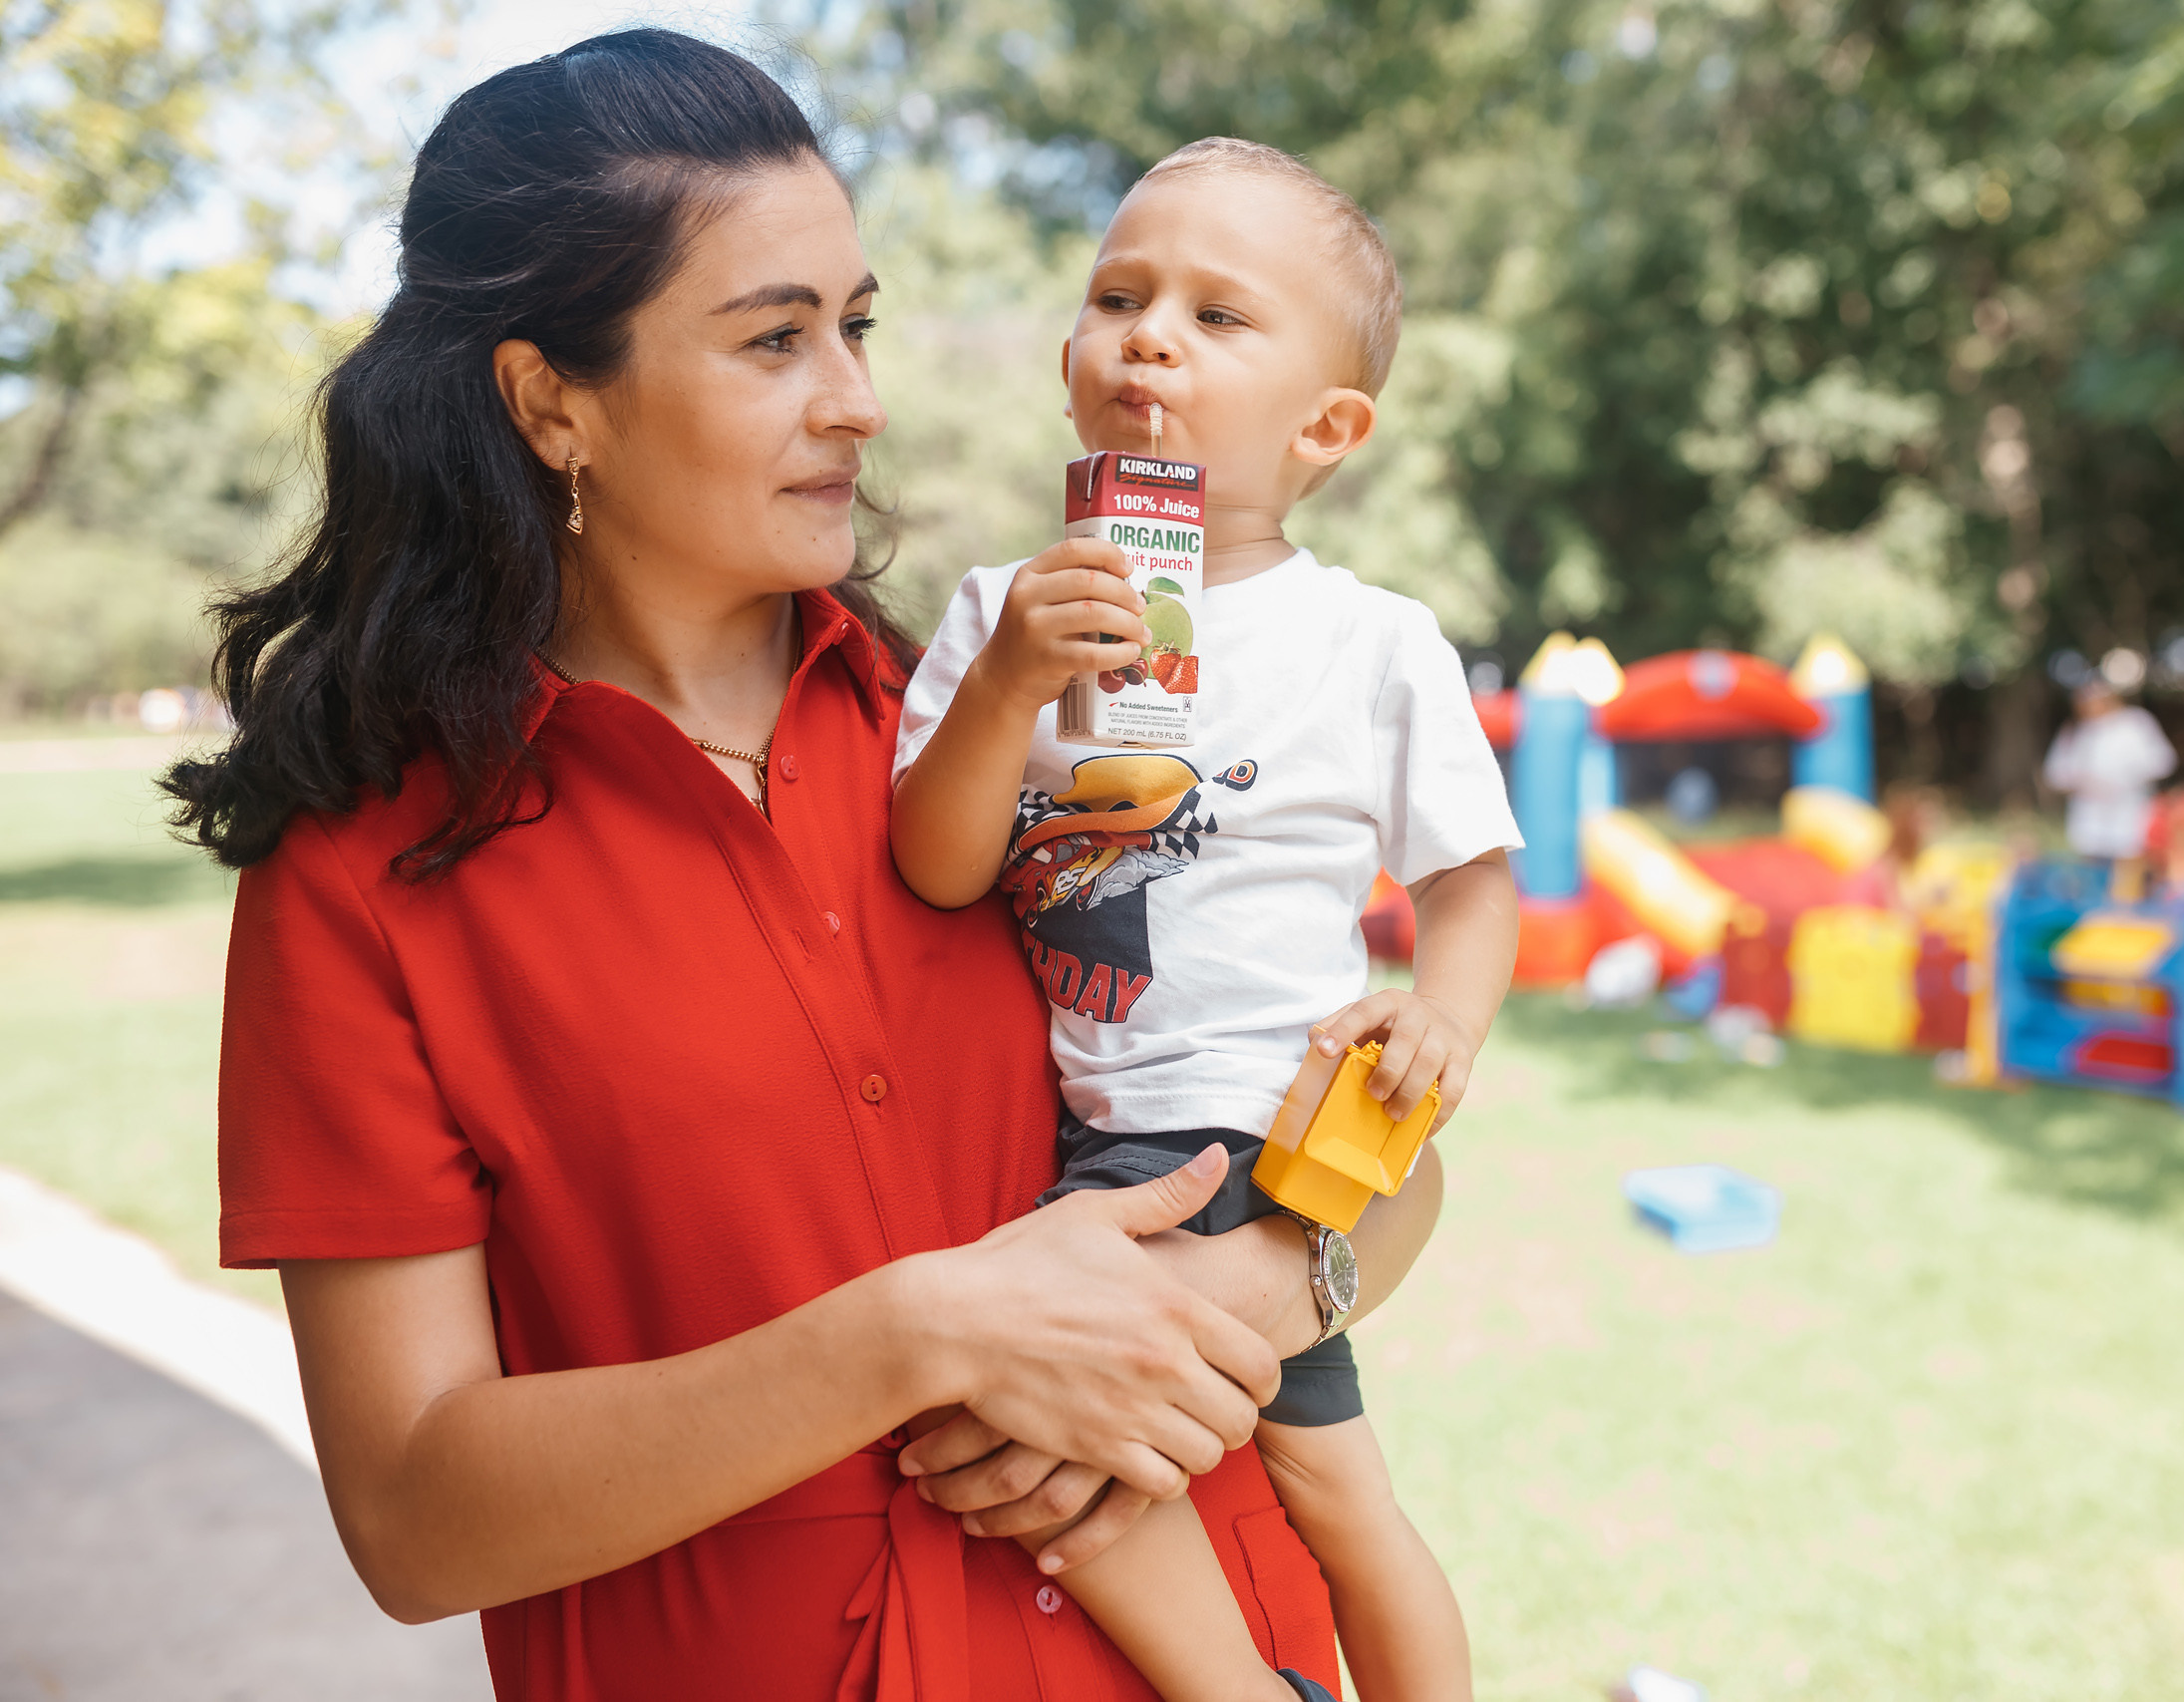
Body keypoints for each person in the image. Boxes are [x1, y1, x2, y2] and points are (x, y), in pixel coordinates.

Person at [161, 33, 1407, 1702]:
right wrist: (919, 1338)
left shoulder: (990, 729)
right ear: (553, 402)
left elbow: (1387, 1146)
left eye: (856, 322)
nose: (859, 398)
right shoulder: (361, 873)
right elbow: (410, 1514)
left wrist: (1263, 1277)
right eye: (774, 339)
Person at [891, 140, 1519, 1702]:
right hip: (1097, 1154)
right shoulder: (996, 612)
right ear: (1069, 361)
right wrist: (1011, 684)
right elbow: (938, 864)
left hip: (1290, 1132)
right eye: (1118, 295)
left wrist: (1442, 1016)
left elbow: (1472, 878)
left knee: (1213, 1486)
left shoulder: (1367, 640)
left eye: (1217, 316)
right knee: (1220, 1486)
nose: (1149, 335)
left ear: (1328, 427)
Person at [2041, 678, 2176, 892]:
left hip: (2128, 814)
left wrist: (2124, 779)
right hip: (2089, 818)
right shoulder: (2074, 731)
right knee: (2092, 875)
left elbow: (2162, 761)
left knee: (2130, 873)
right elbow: (2055, 773)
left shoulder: (2136, 723)